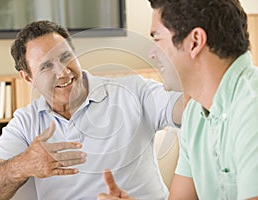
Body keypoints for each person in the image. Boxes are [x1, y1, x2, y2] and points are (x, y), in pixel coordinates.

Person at [0, 20, 183, 200]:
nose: (63, 73)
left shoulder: (133, 91)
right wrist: (24, 165)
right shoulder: (26, 122)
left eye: (66, 57)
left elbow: (185, 109)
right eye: (46, 66)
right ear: (28, 78)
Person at [98, 0, 258, 199]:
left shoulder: (253, 107)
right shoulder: (195, 115)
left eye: (157, 39)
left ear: (195, 42)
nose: (151, 53)